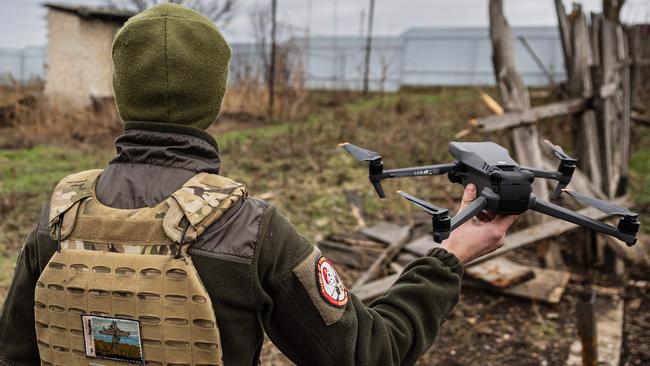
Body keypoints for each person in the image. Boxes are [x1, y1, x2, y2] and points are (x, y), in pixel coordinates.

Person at [0, 3, 517, 366]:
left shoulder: (58, 219)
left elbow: (16, 354)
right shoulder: (250, 230)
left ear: (119, 93)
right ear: (217, 98)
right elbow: (369, 353)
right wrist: (449, 256)